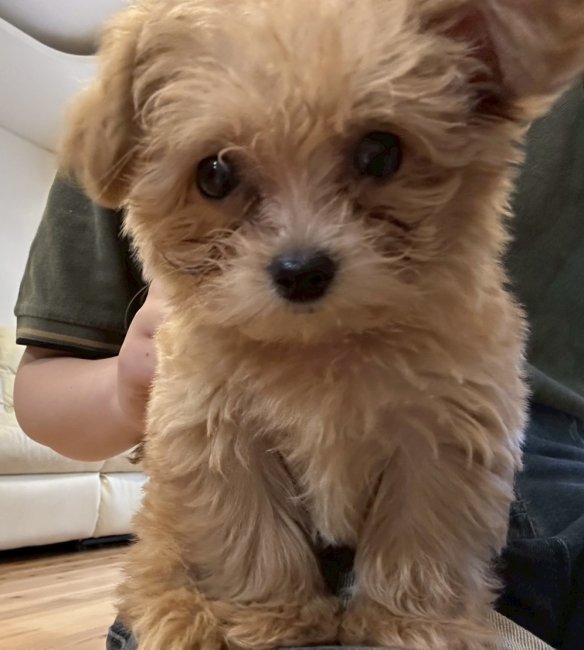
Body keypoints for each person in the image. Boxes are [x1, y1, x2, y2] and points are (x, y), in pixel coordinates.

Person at [13, 78, 584, 650]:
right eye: (220, 177)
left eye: (376, 159)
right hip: (226, 517)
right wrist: (127, 390)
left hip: (529, 487)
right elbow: (44, 389)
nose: (301, 246)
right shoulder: (152, 75)